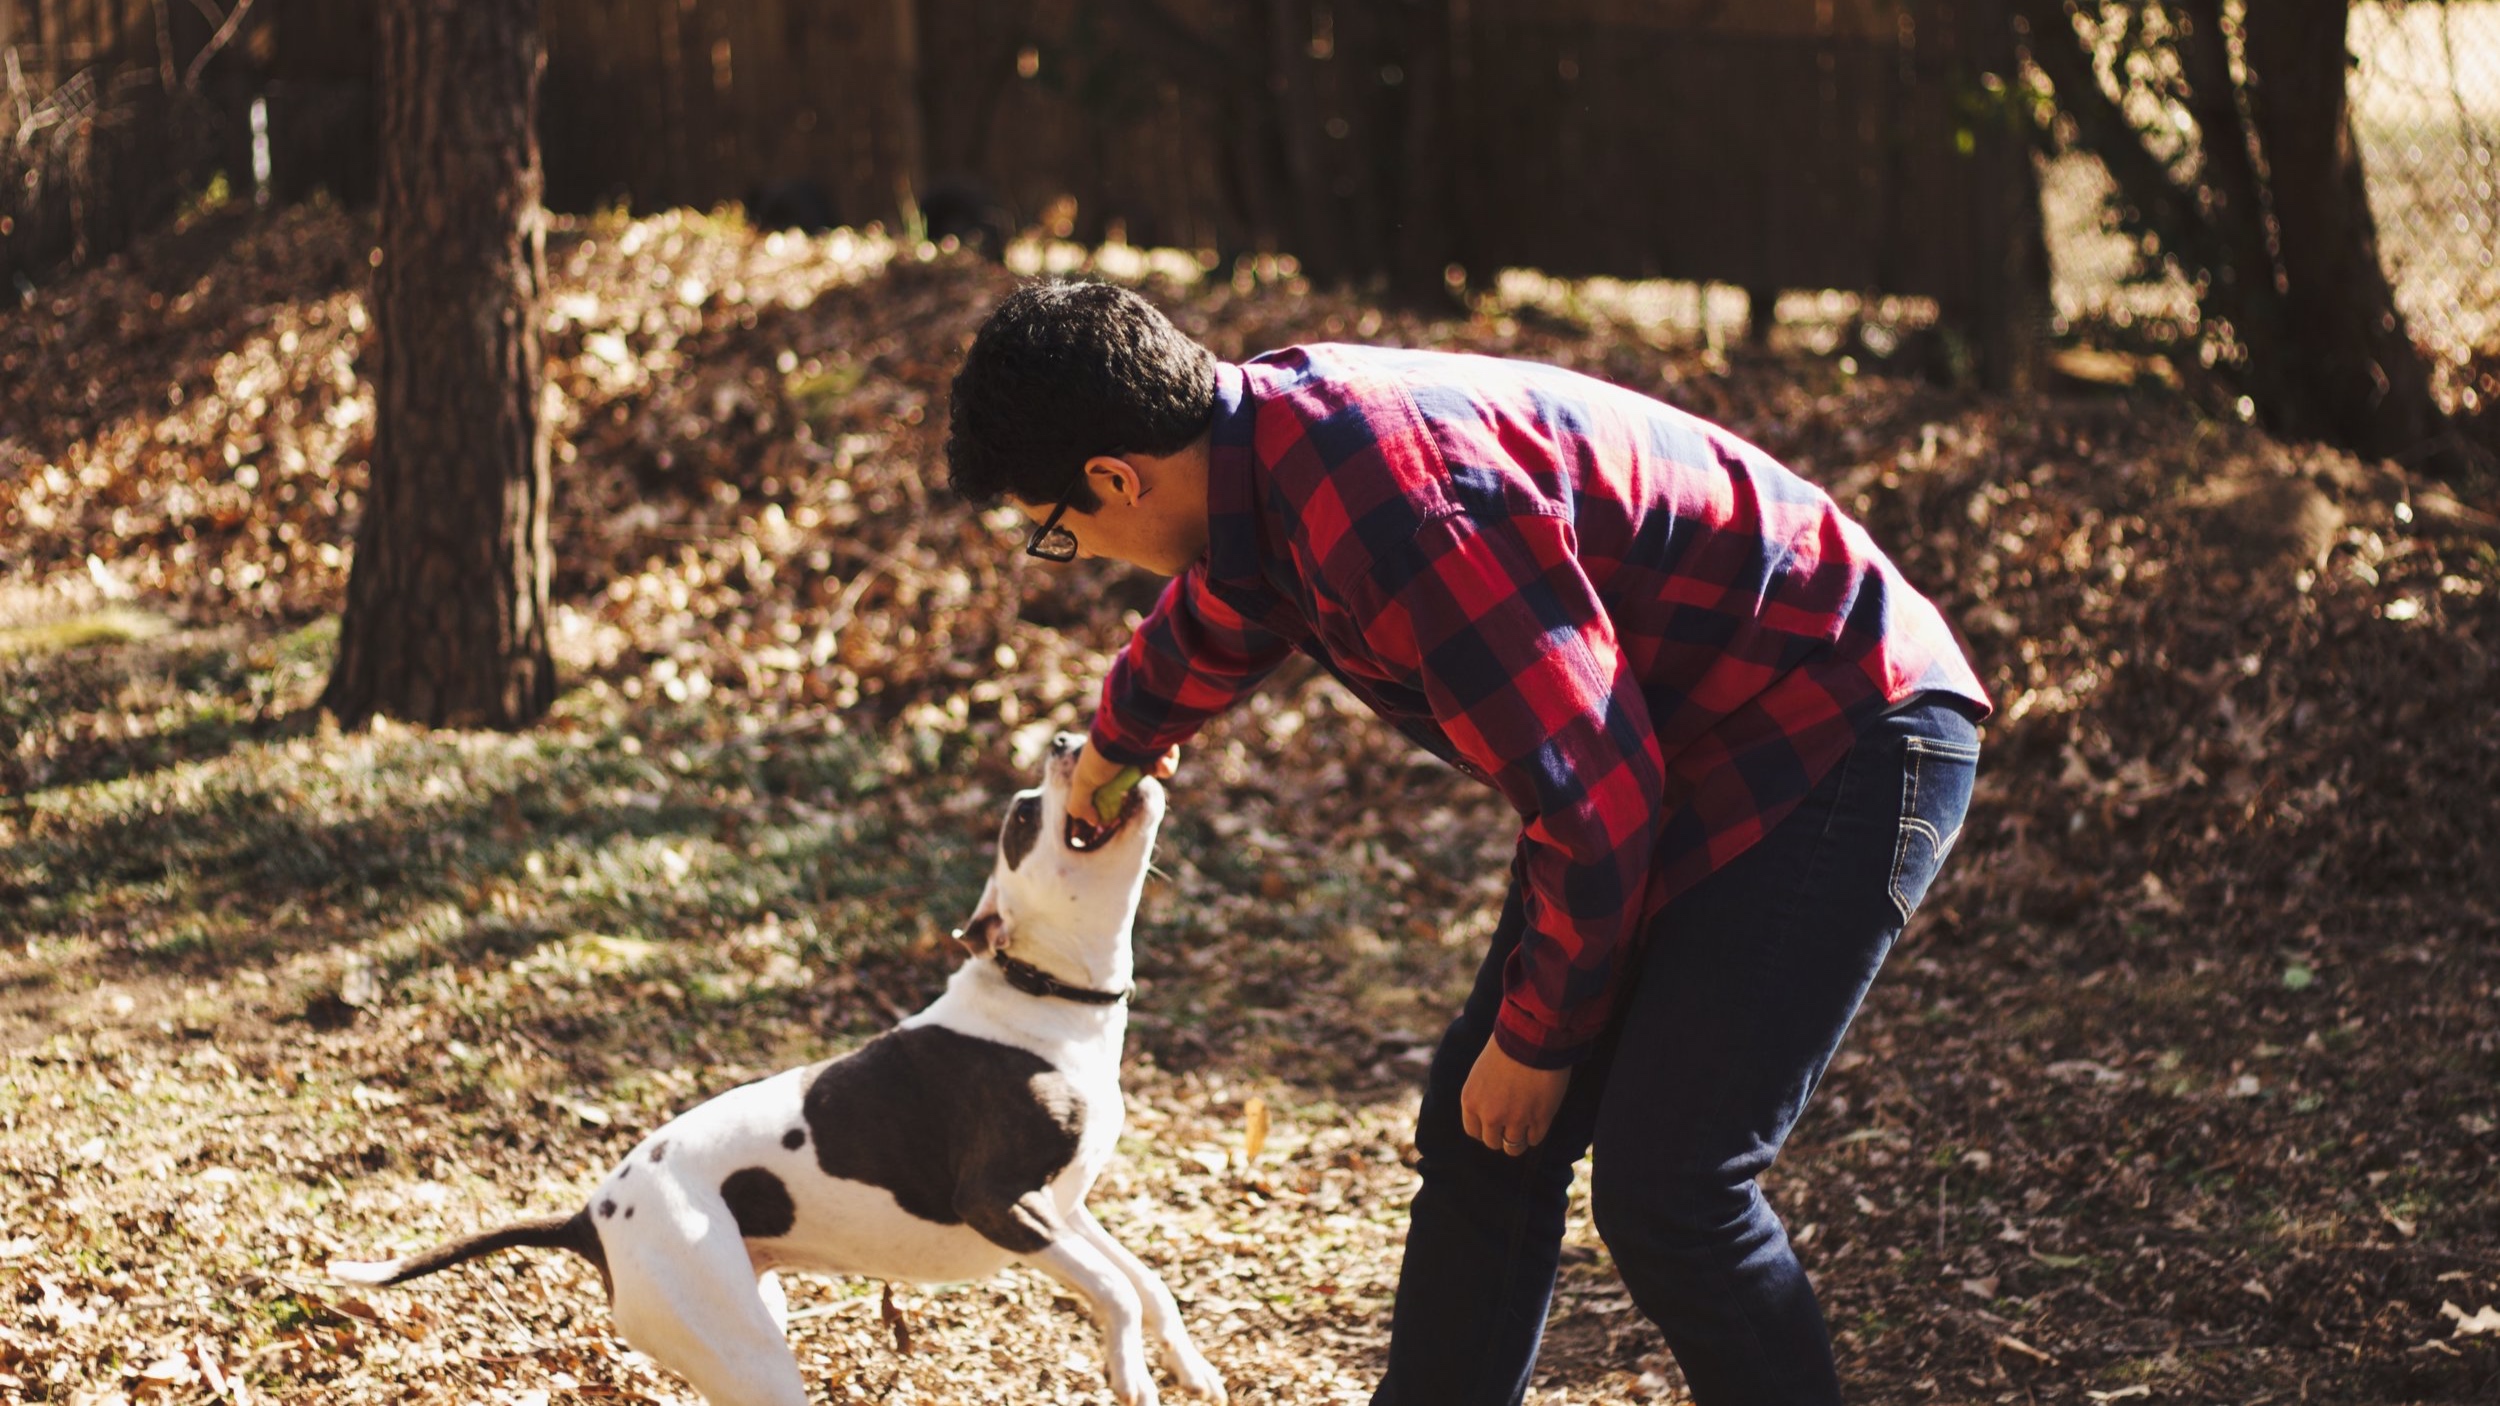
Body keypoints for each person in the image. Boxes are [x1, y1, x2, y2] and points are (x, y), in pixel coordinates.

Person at [943, 278, 1989, 1406]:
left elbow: (1595, 802)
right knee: (1482, 1128)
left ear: (1114, 475)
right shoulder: (1276, 453)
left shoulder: (1401, 513)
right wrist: (1115, 743)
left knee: (1673, 1188)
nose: (1081, 548)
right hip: (1685, 744)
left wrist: (1540, 1040)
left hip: (1835, 728)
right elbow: (1225, 610)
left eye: (1063, 527)